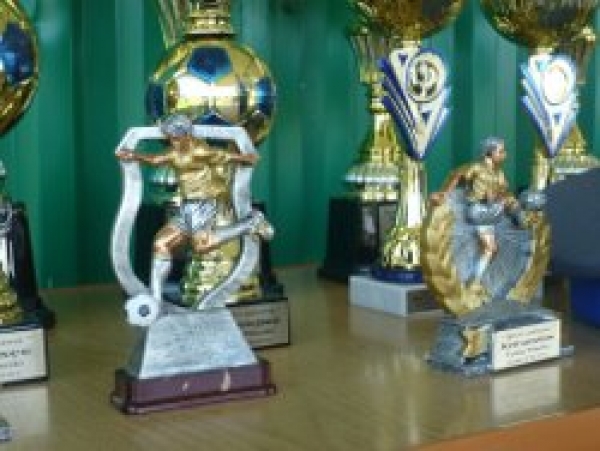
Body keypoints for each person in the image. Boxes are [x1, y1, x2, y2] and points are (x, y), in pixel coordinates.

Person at [116, 114, 272, 312]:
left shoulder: (199, 151)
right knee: (160, 243)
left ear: (186, 135)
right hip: (186, 208)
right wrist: (134, 156)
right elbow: (156, 160)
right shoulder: (174, 153)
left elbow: (222, 155)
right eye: (170, 139)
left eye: (175, 138)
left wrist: (245, 158)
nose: (173, 142)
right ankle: (156, 299)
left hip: (203, 205)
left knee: (201, 246)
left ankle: (249, 224)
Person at [430, 137, 522, 290]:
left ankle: (475, 280)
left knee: (491, 249)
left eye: (504, 151)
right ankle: (473, 282)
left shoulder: (499, 173)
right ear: (489, 153)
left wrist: (509, 200)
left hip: (491, 213)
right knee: (490, 249)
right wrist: (444, 193)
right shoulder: (476, 168)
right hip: (479, 212)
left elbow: (504, 192)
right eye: (501, 151)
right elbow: (457, 175)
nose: (505, 155)